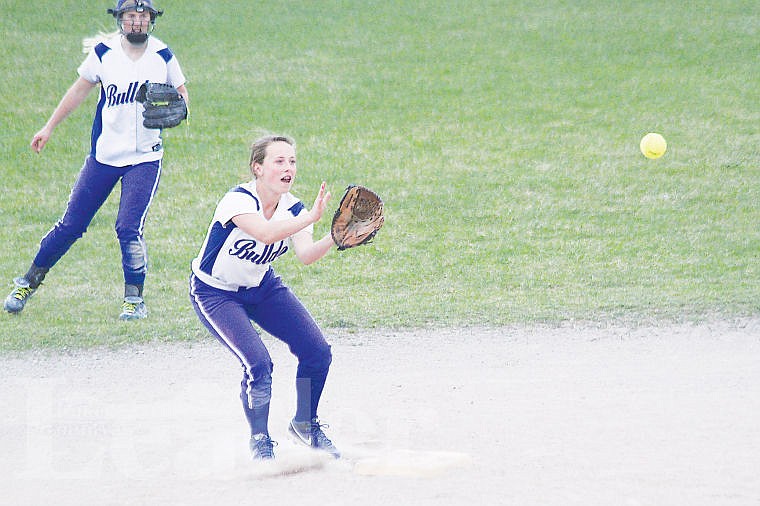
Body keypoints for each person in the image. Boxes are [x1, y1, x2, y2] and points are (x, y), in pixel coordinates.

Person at [3, 0, 188, 320]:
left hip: (144, 159)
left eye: (142, 17)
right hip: (104, 157)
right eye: (130, 16)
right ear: (120, 20)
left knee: (128, 227)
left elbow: (182, 94)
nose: (136, 23)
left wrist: (180, 108)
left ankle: (134, 299)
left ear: (151, 20)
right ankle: (27, 283)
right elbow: (78, 91)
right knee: (71, 225)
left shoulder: (163, 55)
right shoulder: (104, 53)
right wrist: (48, 127)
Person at [189, 135, 340, 460]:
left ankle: (305, 423)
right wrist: (313, 218)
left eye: (292, 161)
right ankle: (260, 441)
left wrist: (335, 236)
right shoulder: (237, 200)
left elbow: (306, 255)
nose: (288, 168)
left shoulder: (294, 208)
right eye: (279, 161)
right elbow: (266, 233)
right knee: (259, 364)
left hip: (263, 287)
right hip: (215, 292)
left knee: (317, 352)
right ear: (258, 168)